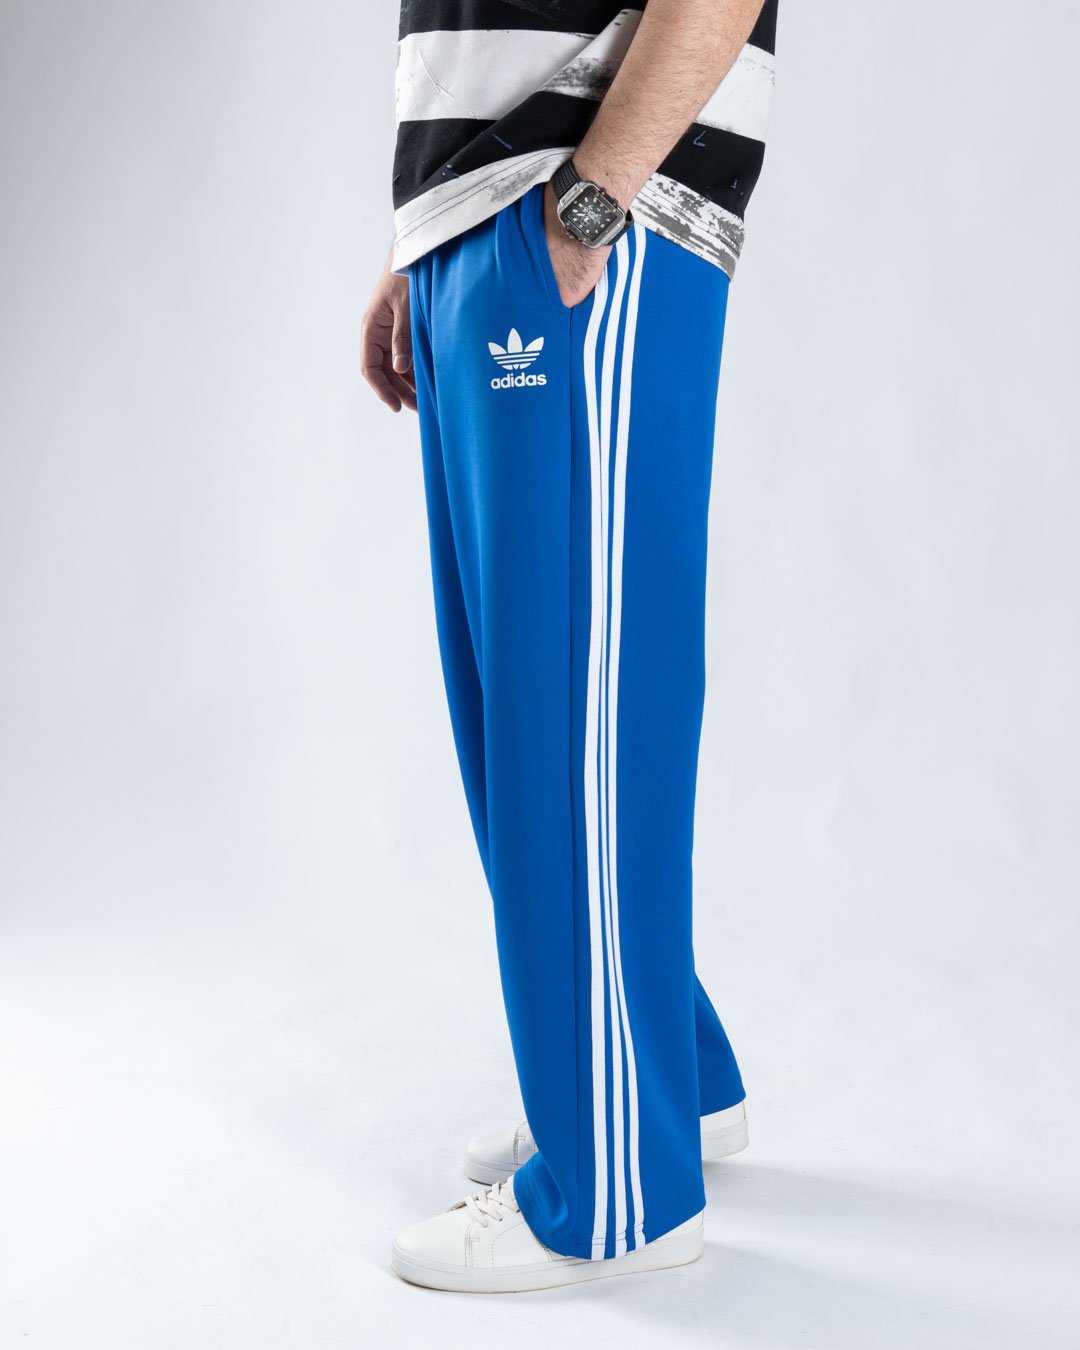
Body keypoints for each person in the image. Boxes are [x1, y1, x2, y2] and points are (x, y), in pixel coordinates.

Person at [361, 0, 778, 1293]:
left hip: (583, 205)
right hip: (493, 212)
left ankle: (615, 1191)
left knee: (572, 718)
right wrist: (427, 233)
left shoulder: (583, 211)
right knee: (522, 713)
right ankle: (667, 1086)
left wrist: (587, 204)